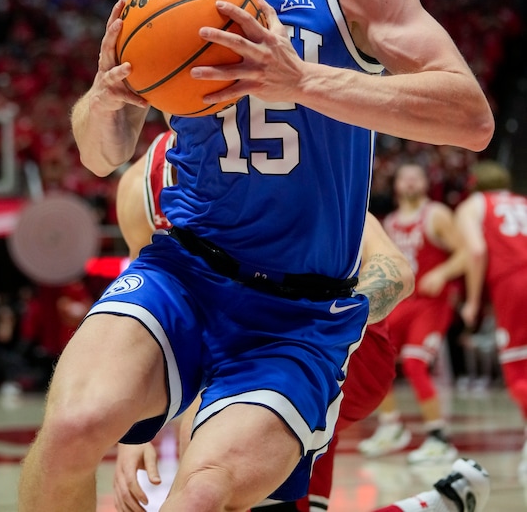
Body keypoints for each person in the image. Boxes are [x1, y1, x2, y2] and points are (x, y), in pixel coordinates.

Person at [18, 0, 493, 512]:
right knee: (73, 426)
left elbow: (469, 116)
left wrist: (303, 81)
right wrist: (109, 100)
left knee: (200, 499)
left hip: (299, 311)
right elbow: (101, 154)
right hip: (185, 272)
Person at [113, 130, 489, 512]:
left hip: (337, 345)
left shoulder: (284, 160)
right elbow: (150, 316)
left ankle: (432, 447)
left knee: (206, 469)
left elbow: (395, 271)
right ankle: (438, 504)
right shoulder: (142, 185)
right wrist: (134, 430)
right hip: (239, 350)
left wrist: (318, 327)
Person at [359, 162, 468, 464]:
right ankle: (391, 426)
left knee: (414, 362)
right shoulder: (391, 222)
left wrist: (442, 273)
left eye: (416, 177)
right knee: (370, 354)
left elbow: (466, 253)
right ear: (396, 185)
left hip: (431, 303)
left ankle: (439, 437)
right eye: (405, 177)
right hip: (404, 302)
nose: (410, 182)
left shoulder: (436, 214)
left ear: (425, 183)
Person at [455, 159, 527, 475]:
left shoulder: (474, 204)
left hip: (514, 283)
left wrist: (472, 301)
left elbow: (476, 250)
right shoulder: (522, 201)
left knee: (518, 373)